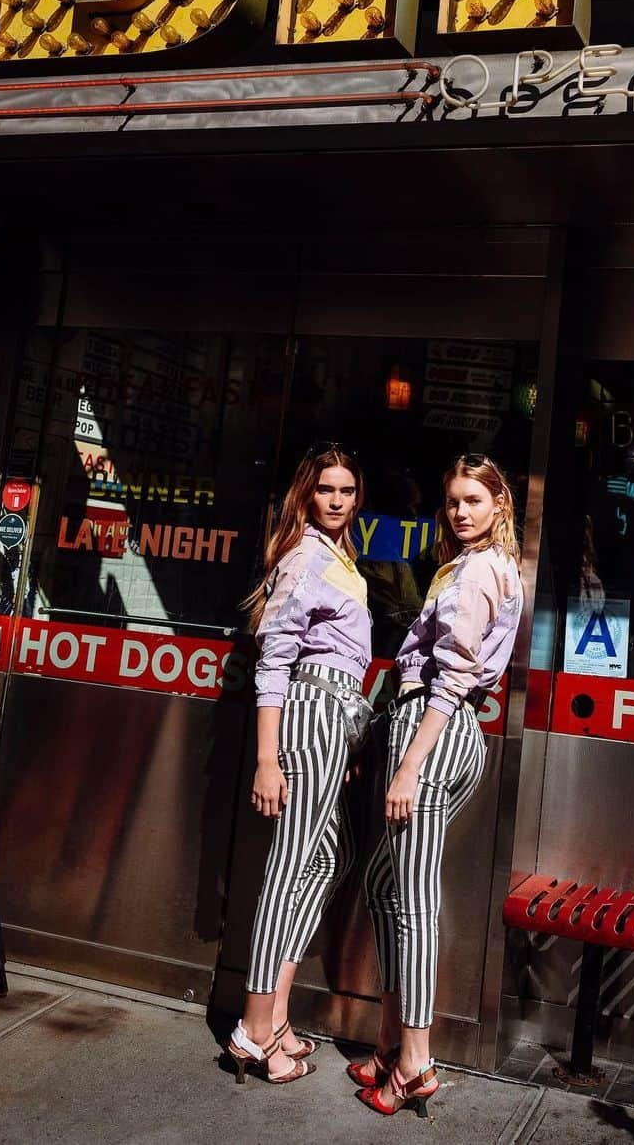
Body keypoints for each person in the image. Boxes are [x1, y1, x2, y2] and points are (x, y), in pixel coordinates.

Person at [354, 454, 523, 1117]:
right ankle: (395, 1042)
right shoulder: (469, 564)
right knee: (382, 885)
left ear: (499, 506)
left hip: (435, 731)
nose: (460, 512)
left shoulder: (481, 568)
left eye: (473, 501)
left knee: (414, 900)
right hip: (435, 728)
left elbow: (453, 679)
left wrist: (410, 763)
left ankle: (417, 1059)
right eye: (453, 500)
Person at [226, 444, 371, 1085]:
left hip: (334, 719)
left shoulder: (340, 558)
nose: (336, 499)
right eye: (325, 489)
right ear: (307, 496)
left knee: (328, 858)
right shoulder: (305, 556)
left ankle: (277, 1011)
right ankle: (254, 1026)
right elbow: (273, 662)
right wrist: (267, 757)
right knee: (289, 870)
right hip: (309, 711)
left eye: (346, 489)